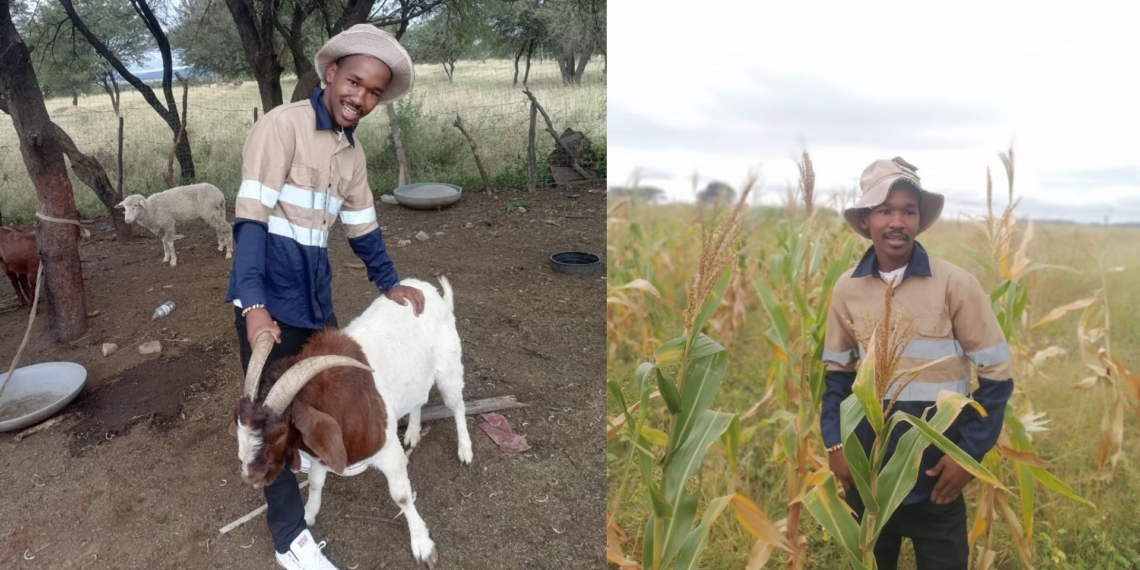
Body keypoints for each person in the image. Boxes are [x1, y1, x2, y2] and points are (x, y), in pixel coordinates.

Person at [224, 24, 423, 570]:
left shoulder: (351, 156)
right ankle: (290, 539)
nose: (360, 98)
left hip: (316, 304)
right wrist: (251, 303)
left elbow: (362, 229)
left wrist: (389, 281)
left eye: (374, 92)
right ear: (330, 73)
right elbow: (251, 222)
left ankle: (316, 465)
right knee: (270, 422)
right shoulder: (280, 128)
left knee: (317, 405)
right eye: (355, 82)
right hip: (270, 304)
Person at [820, 157, 1014, 570]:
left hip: (935, 482)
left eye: (908, 211)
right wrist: (836, 445)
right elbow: (836, 377)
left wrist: (967, 456)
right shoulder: (846, 290)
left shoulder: (954, 284)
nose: (897, 221)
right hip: (867, 477)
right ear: (867, 220)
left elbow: (997, 374)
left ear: (918, 221)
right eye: (885, 210)